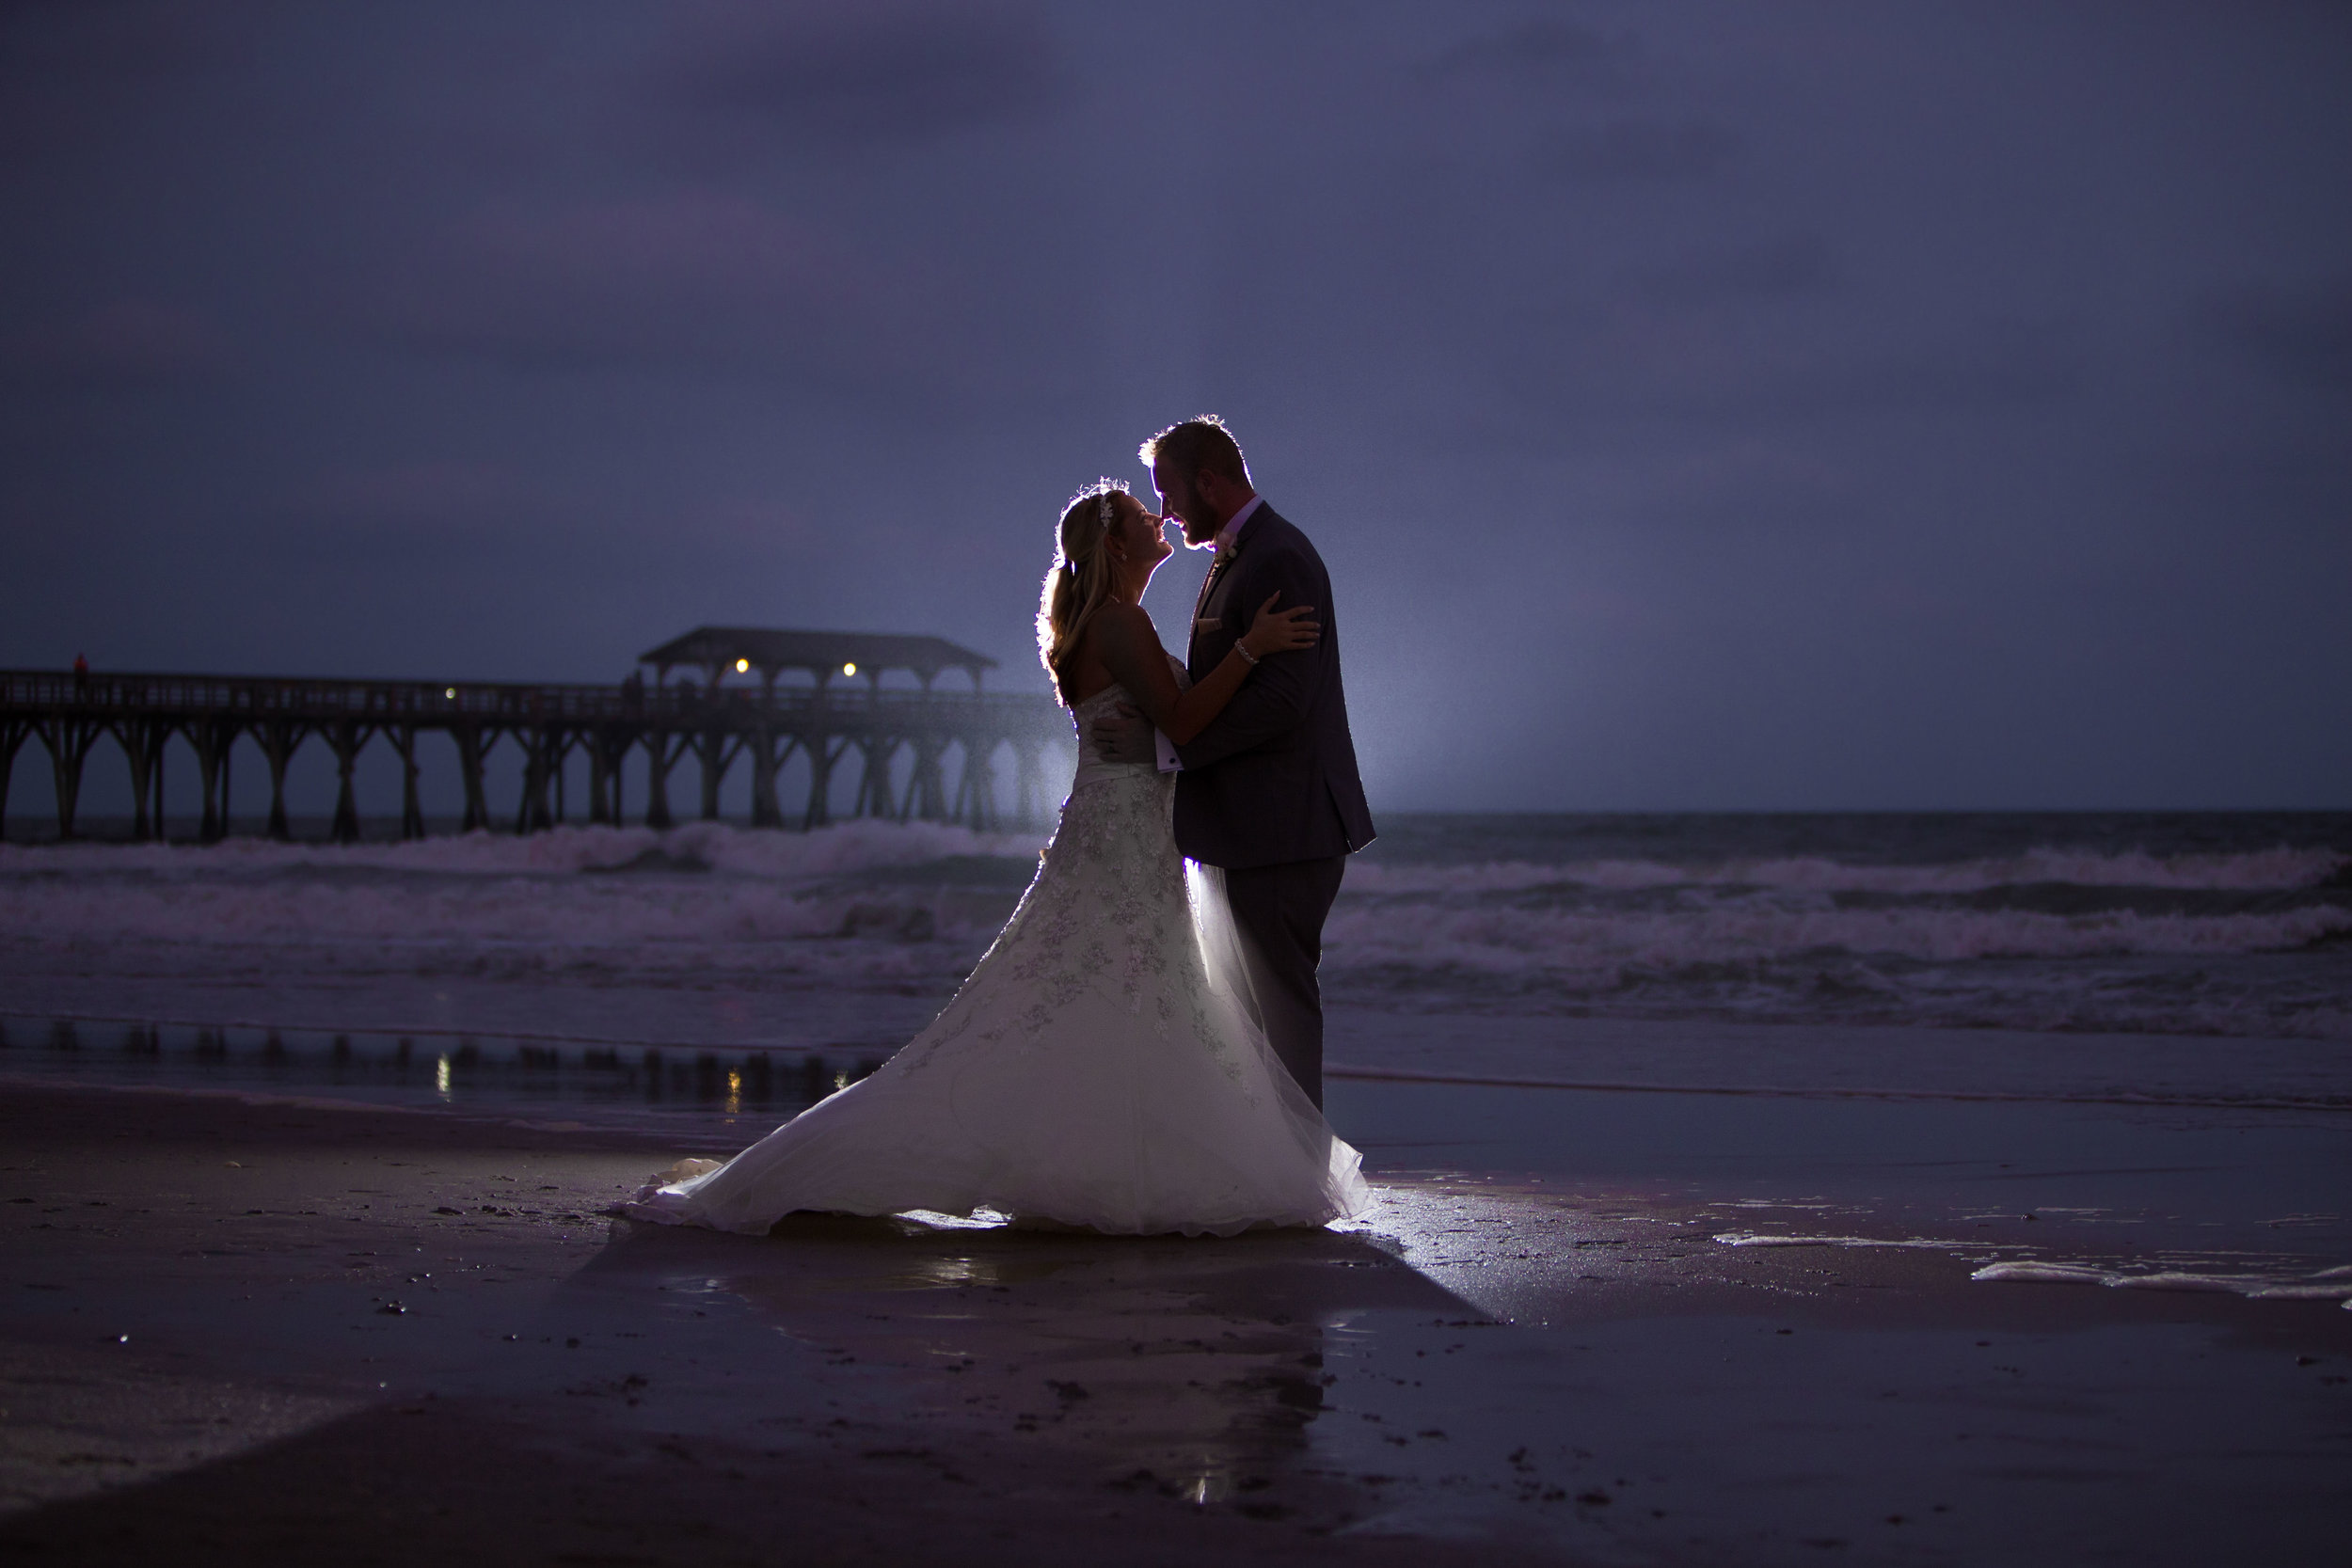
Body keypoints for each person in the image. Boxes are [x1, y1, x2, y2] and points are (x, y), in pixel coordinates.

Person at [625, 482, 1370, 1236]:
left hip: (1118, 832)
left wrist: (1165, 735)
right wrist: (1250, 648)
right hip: (1121, 838)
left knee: (1104, 993)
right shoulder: (1120, 623)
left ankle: (1095, 1146)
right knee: (1116, 987)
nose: (1162, 518)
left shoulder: (1105, 625)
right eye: (1145, 517)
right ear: (1116, 544)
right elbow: (1182, 717)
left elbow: (1162, 734)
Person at [1091, 418, 1375, 1110]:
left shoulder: (1277, 557)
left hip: (1282, 828)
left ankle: (1299, 1175)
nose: (1167, 511)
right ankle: (1278, 1174)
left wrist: (1175, 742)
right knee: (1256, 1016)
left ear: (1210, 482)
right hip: (1255, 827)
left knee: (1280, 1011)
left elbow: (1283, 701)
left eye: (1173, 492)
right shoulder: (1236, 556)